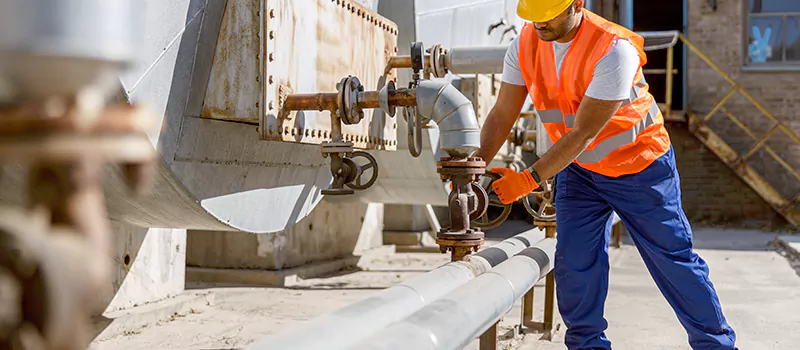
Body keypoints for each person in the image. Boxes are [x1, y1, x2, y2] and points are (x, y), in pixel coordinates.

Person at [475, 1, 738, 349]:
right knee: (575, 263)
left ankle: (716, 345)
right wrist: (475, 168)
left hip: (640, 168)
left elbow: (583, 133)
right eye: (533, 13)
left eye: (548, 13)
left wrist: (528, 179)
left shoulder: (614, 49)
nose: (539, 22)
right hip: (581, 171)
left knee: (672, 261)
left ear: (577, 4)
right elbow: (503, 113)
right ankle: (587, 346)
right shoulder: (523, 44)